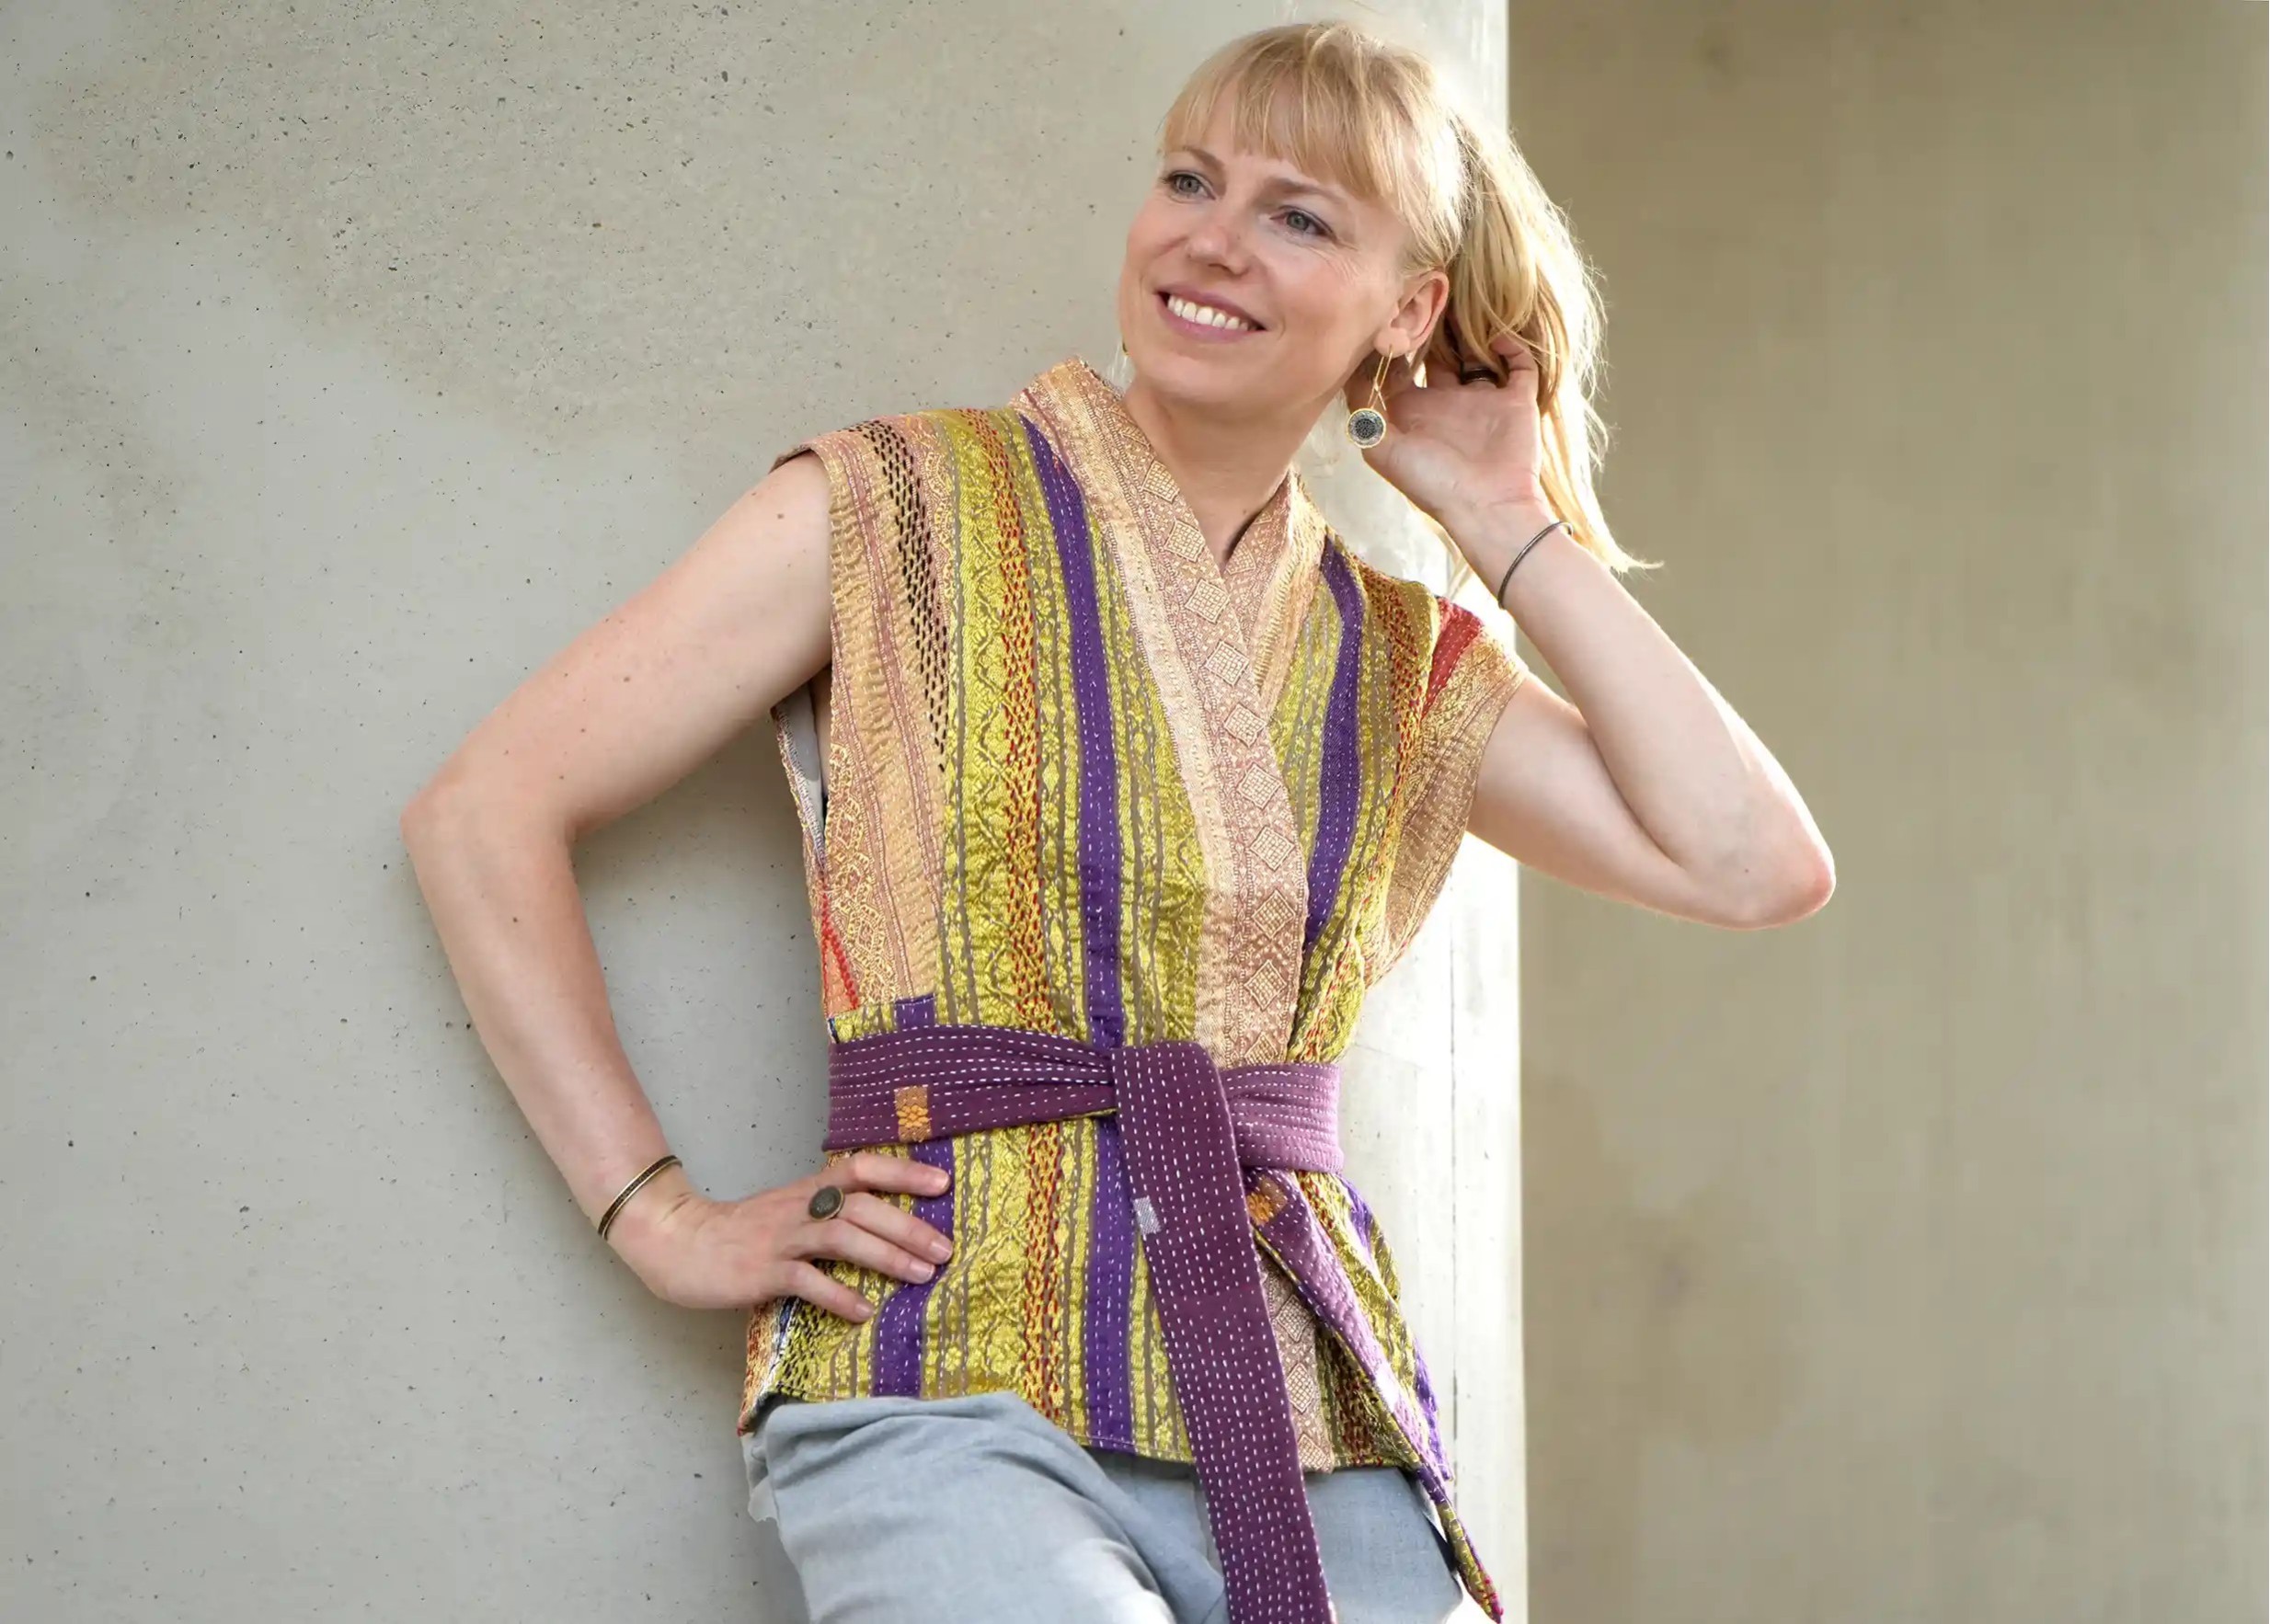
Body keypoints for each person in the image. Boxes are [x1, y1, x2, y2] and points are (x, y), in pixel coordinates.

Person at [399, 20, 1833, 1624]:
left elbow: (1753, 859)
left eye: (1301, 215)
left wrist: (1505, 518)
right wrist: (654, 1212)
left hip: (1311, 1428)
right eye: (1189, 178)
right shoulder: (893, 508)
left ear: (1409, 308)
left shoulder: (1401, 661)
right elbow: (485, 808)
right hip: (954, 1371)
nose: (1211, 239)